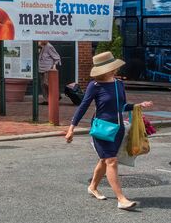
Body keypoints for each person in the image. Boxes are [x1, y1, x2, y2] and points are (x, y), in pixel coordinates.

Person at [65, 52, 153, 211]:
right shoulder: (95, 86)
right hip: (102, 129)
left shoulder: (118, 84)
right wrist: (72, 128)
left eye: (113, 67)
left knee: (104, 160)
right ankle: (121, 199)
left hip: (118, 128)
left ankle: (92, 186)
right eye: (110, 68)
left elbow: (122, 106)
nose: (114, 70)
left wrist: (138, 105)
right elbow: (83, 106)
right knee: (111, 161)